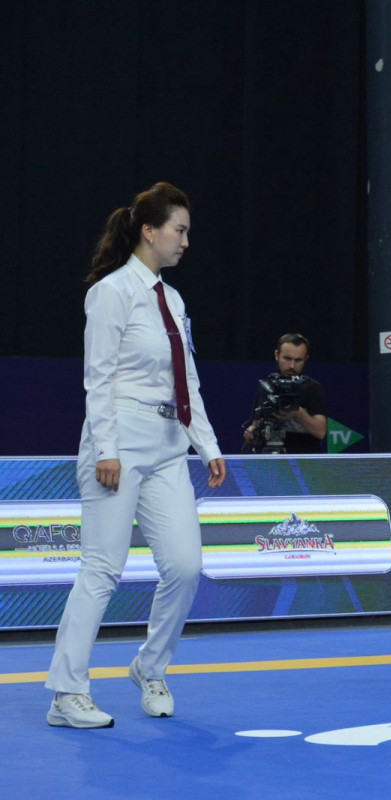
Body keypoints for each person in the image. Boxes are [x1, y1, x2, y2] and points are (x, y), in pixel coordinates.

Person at [45, 182, 226, 728]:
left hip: (170, 447)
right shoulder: (111, 292)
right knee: (101, 568)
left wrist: (208, 445)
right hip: (119, 442)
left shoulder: (173, 299)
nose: (186, 241)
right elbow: (96, 378)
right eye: (180, 230)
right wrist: (106, 447)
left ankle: (150, 668)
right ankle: (65, 694)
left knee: (187, 566)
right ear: (150, 231)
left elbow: (186, 378)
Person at [242, 333, 328, 453]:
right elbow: (256, 423)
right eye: (287, 359)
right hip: (270, 457)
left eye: (298, 360)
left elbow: (320, 432)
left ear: (306, 359)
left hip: (304, 459)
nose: (292, 366)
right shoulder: (267, 387)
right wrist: (252, 431)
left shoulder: (312, 388)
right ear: (277, 355)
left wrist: (298, 412)